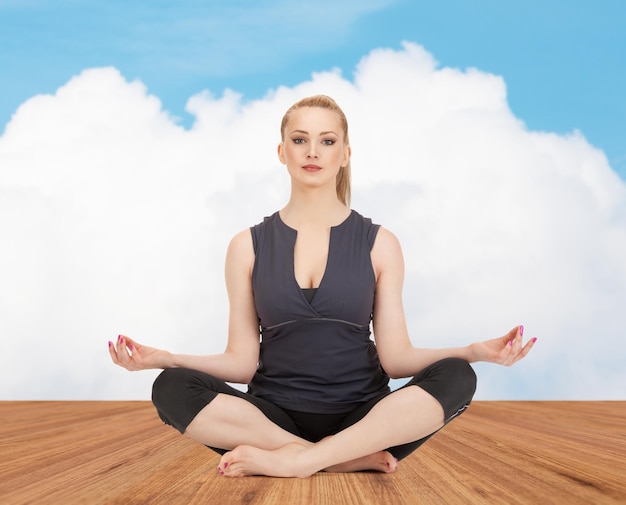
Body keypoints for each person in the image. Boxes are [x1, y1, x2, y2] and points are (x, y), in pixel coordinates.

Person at [108, 95, 536, 478]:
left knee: (459, 376)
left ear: (345, 153)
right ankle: (333, 458)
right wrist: (164, 357)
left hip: (364, 418)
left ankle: (301, 460)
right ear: (281, 152)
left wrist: (476, 352)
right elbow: (241, 364)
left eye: (327, 141)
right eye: (299, 140)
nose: (313, 151)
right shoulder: (246, 246)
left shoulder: (380, 244)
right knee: (170, 387)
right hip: (271, 419)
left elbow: (396, 358)